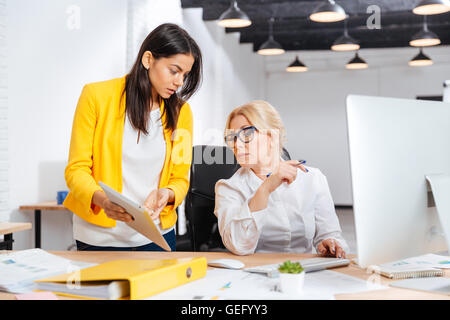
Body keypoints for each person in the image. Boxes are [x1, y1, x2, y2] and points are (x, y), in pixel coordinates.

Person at [64, 23, 202, 251]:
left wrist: (166, 194)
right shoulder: (96, 97)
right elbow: (76, 169)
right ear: (148, 59)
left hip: (157, 237)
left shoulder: (181, 112)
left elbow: (180, 179)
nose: (179, 82)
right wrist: (103, 201)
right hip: (99, 239)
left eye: (185, 75)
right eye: (174, 70)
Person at [214, 100, 349, 257]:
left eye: (246, 134)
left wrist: (329, 243)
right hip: (254, 272)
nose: (237, 144)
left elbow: (330, 234)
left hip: (303, 271)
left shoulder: (312, 178)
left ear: (271, 136)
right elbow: (239, 246)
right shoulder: (228, 188)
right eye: (232, 137)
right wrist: (265, 189)